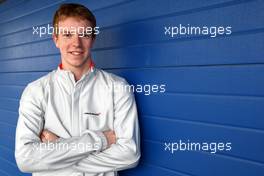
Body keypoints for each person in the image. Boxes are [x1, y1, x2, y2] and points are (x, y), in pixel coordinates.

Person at [15, 3, 140, 176]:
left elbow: (130, 155)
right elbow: (26, 159)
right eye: (67, 35)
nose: (76, 43)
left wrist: (57, 148)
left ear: (93, 39)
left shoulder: (117, 87)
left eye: (84, 35)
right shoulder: (36, 91)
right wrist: (101, 140)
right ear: (55, 39)